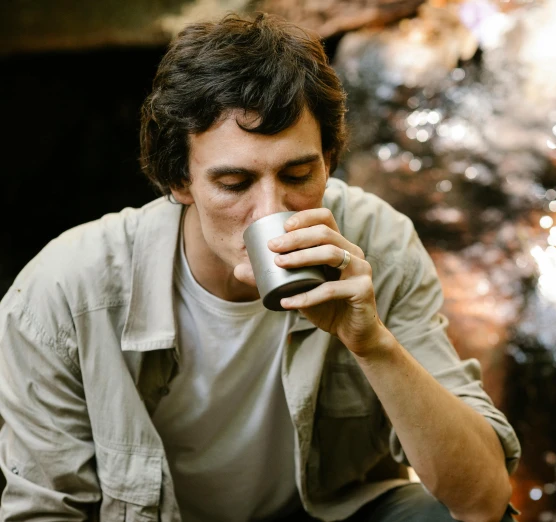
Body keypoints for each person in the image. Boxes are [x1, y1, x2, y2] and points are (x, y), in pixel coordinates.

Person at [0, 13, 520, 522]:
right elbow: (44, 509)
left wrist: (374, 345)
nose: (272, 211)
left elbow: (481, 502)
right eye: (234, 184)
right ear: (179, 182)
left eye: (298, 174)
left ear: (329, 160)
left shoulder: (375, 245)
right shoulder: (65, 292)